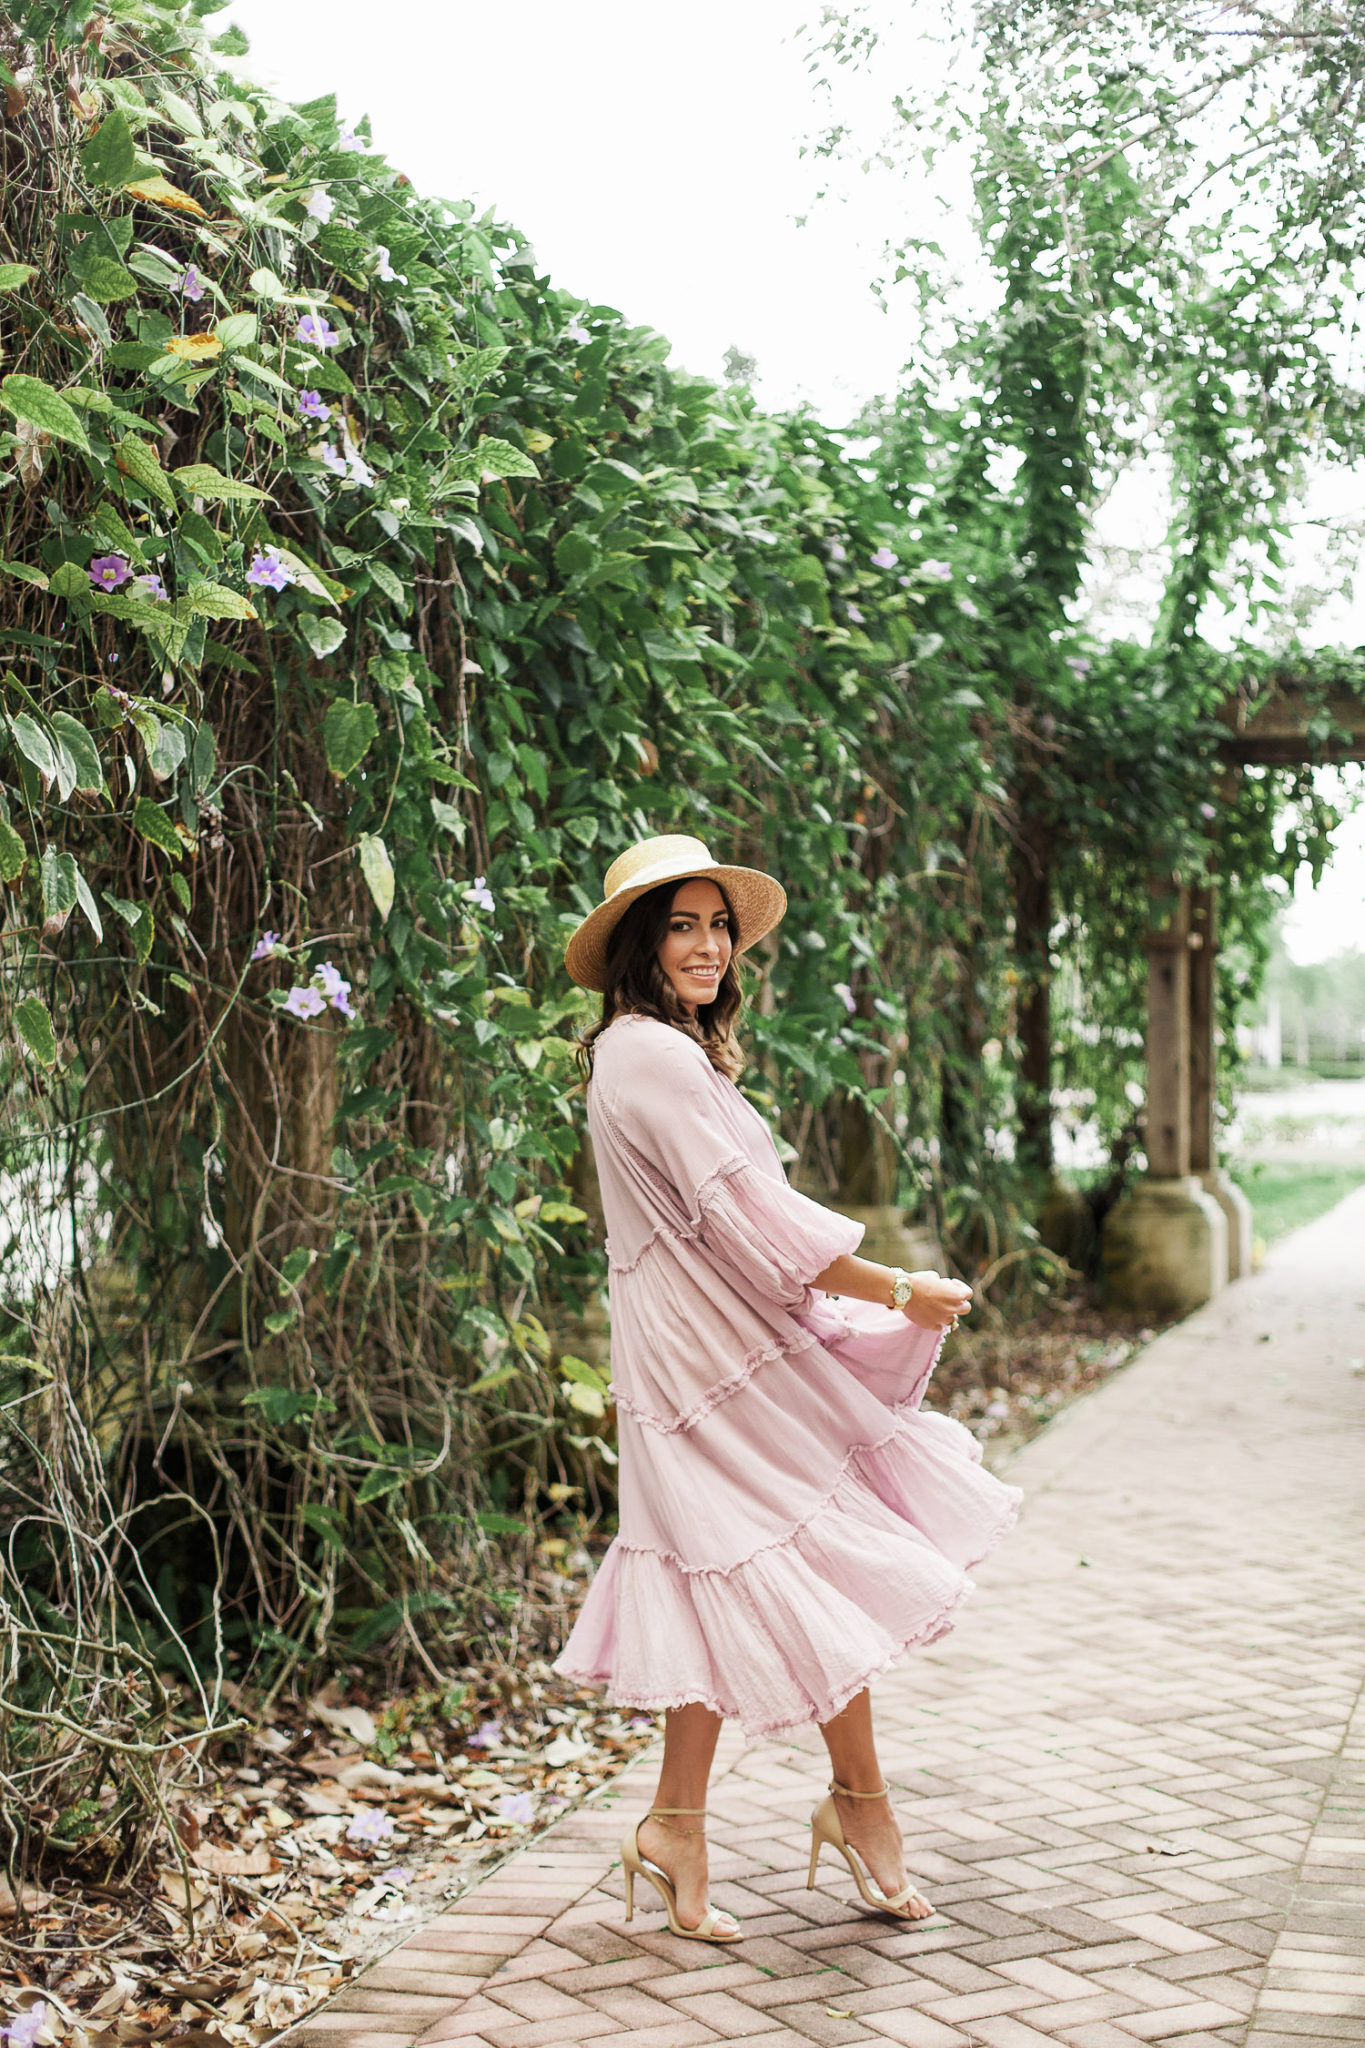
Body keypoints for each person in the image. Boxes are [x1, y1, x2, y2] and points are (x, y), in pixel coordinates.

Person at [553, 833, 1020, 1943]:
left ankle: (688, 1822)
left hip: (703, 1347)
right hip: (706, 1362)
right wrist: (897, 1283)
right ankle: (844, 1807)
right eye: (683, 924)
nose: (708, 944)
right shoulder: (652, 1057)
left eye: (719, 924)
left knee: (746, 1564)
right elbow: (755, 1221)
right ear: (639, 943)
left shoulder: (649, 1052)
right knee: (784, 1553)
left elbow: (736, 1220)